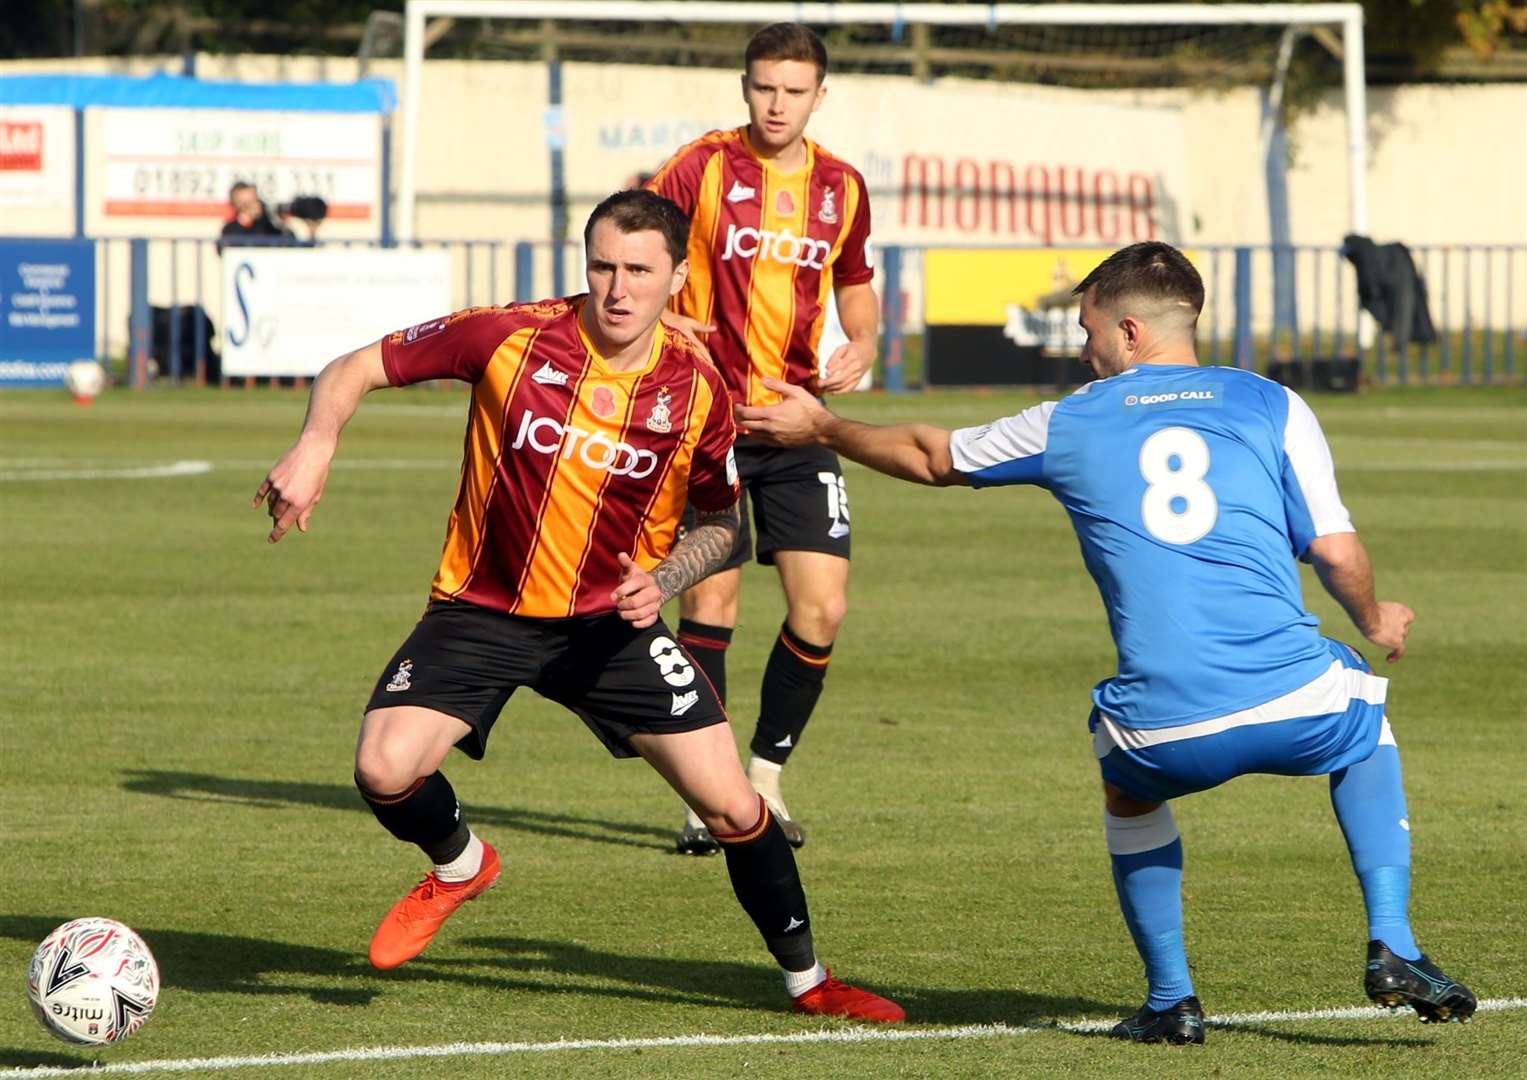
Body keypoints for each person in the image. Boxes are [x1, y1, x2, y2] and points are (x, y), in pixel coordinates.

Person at [736, 240, 1475, 1042]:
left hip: (1165, 730)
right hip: (1297, 705)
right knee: (1362, 712)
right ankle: (1393, 942)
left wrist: (824, 427)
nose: (1085, 354)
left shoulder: (1070, 420)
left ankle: (1170, 1000)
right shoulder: (1272, 403)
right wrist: (1373, 619)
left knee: (1127, 786)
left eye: (1088, 334)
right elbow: (1335, 552)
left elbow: (930, 454)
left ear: (1128, 331)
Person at [251, 189, 903, 1024]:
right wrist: (315, 444)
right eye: (602, 266)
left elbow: (720, 525)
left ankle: (809, 983)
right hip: (479, 611)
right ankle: (460, 864)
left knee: (736, 807)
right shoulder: (509, 335)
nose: (618, 288)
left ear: (677, 278)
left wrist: (663, 582)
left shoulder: (695, 390)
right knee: (383, 768)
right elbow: (352, 368)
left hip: (609, 628)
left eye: (639, 270)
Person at [645, 22, 878, 854]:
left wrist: (865, 341)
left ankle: (766, 780)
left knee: (824, 605)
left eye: (793, 90)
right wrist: (668, 315)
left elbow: (854, 279)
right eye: (763, 87)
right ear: (744, 87)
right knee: (710, 597)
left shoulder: (841, 187)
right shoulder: (699, 167)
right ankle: (706, 796)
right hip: (704, 423)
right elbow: (635, 251)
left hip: (795, 417)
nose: (775, 104)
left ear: (820, 95)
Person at [219, 181, 292, 249]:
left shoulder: (268, 223)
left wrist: (277, 221)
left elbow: (289, 240)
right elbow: (224, 249)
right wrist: (244, 222)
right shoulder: (230, 229)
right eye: (247, 203)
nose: (254, 206)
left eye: (255, 200)